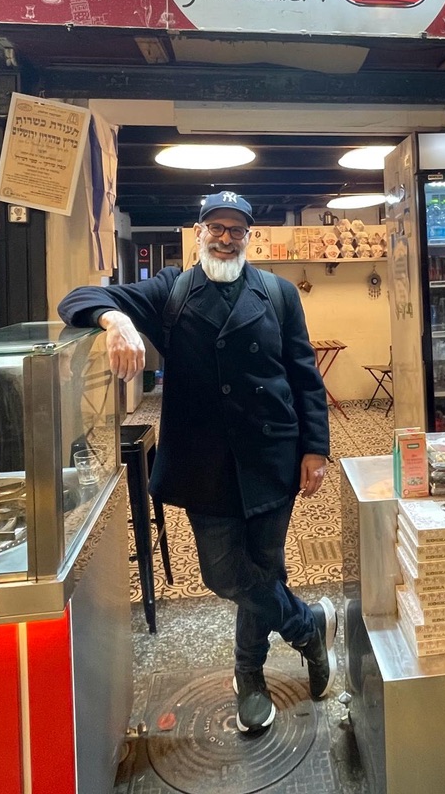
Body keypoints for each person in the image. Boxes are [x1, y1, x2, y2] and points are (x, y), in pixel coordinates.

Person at [58, 190, 336, 733]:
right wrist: (117, 321)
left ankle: (248, 675)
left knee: (265, 569)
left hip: (272, 454)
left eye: (236, 230)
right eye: (217, 228)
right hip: (206, 465)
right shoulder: (172, 290)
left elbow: (304, 376)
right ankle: (308, 627)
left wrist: (315, 448)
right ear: (199, 232)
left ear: (249, 237)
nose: (226, 238)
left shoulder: (278, 293)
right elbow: (78, 298)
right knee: (224, 574)